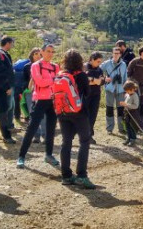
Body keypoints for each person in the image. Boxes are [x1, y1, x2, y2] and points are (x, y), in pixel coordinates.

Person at [56, 49, 96, 188]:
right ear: (80, 61)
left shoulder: (60, 75)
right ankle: (81, 175)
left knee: (66, 142)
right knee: (84, 141)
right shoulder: (82, 76)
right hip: (79, 113)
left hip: (62, 113)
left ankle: (66, 176)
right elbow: (87, 93)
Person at [17, 44, 60, 168]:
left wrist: (50, 81)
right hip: (40, 100)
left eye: (52, 51)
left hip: (52, 100)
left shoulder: (55, 66)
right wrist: (53, 79)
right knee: (32, 128)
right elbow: (39, 81)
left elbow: (57, 83)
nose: (50, 54)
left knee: (51, 129)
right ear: (42, 52)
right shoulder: (36, 65)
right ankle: (21, 156)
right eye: (48, 51)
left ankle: (49, 155)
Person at [101, 47, 127, 134]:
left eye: (117, 53)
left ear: (120, 54)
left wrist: (125, 90)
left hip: (120, 89)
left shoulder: (123, 65)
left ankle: (121, 128)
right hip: (110, 89)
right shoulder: (107, 63)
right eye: (114, 53)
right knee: (109, 108)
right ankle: (109, 129)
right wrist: (104, 78)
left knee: (120, 109)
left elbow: (125, 78)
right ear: (112, 53)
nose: (116, 55)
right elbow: (98, 70)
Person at [127, 46, 143, 129]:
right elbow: (128, 73)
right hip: (135, 86)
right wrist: (132, 84)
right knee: (135, 104)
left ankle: (142, 123)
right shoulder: (134, 62)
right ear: (142, 53)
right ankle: (135, 124)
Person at [84, 52, 105, 143]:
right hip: (85, 95)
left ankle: (89, 136)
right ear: (92, 59)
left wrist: (93, 80)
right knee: (84, 115)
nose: (99, 63)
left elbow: (102, 81)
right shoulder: (84, 67)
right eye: (97, 61)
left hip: (96, 95)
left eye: (100, 62)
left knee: (93, 115)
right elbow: (84, 81)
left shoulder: (99, 69)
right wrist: (94, 80)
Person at [0, 36, 17, 129]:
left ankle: (10, 126)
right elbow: (3, 72)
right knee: (7, 107)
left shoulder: (4, 54)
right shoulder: (1, 54)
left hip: (10, 85)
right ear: (8, 43)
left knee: (11, 106)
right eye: (12, 43)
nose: (12, 45)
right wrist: (7, 86)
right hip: (7, 85)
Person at [119, 81, 141, 146]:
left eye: (128, 91)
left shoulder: (135, 96)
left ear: (132, 89)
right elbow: (126, 102)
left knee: (132, 127)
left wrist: (126, 104)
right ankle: (128, 138)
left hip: (133, 114)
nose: (127, 92)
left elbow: (135, 106)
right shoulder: (127, 94)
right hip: (127, 113)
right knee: (127, 126)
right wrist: (123, 104)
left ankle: (133, 139)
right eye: (126, 91)